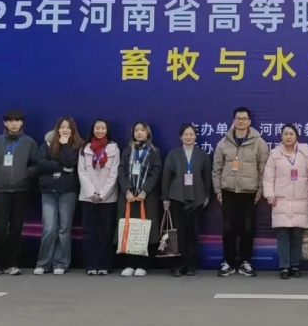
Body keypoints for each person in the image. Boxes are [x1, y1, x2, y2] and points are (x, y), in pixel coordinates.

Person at [0, 109, 39, 277]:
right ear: (5, 123)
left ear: (22, 123)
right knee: (0, 228)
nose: (14, 124)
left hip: (21, 191)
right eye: (11, 121)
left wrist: (25, 175)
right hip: (0, 191)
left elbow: (37, 165)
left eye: (17, 120)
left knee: (16, 228)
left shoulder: (29, 142)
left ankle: (12, 264)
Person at [212, 107, 269, 278]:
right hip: (228, 191)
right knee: (228, 228)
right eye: (238, 118)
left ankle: (245, 262)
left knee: (247, 228)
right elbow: (216, 168)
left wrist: (260, 190)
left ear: (249, 121)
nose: (241, 121)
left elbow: (264, 169)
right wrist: (217, 189)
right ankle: (228, 262)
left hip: (249, 192)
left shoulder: (259, 143)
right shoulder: (223, 142)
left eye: (244, 119)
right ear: (234, 121)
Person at [263, 124, 308, 279]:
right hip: (281, 200)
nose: (288, 136)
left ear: (296, 136)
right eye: (285, 134)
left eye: (291, 134)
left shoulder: (305, 153)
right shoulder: (274, 154)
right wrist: (269, 195)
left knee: (297, 235)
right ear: (281, 136)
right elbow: (268, 177)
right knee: (283, 235)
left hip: (301, 199)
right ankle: (284, 266)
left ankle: (295, 265)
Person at [34, 118, 84, 275]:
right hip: (48, 191)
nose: (65, 130)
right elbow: (41, 163)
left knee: (64, 229)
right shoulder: (47, 144)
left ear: (73, 130)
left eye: (68, 127)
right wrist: (62, 168)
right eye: (62, 127)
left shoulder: (78, 146)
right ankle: (43, 263)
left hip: (68, 191)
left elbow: (72, 163)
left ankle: (60, 263)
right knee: (49, 229)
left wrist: (65, 145)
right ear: (57, 129)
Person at [162, 123, 212, 277]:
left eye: (191, 134)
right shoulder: (174, 153)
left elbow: (207, 177)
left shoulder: (202, 154)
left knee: (193, 233)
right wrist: (165, 199)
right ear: (180, 137)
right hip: (177, 198)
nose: (189, 137)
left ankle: (191, 265)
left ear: (196, 136)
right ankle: (178, 265)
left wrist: (207, 196)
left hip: (197, 199)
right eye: (185, 134)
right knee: (178, 233)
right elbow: (166, 177)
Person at [117, 121, 162, 277]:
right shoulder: (127, 151)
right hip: (129, 197)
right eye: (136, 130)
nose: (139, 133)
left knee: (145, 230)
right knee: (129, 230)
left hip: (146, 197)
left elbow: (155, 173)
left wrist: (144, 191)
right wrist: (127, 191)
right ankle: (129, 264)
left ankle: (143, 264)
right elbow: (121, 172)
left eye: (142, 130)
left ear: (147, 133)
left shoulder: (154, 151)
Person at [78, 119, 120, 276]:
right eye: (97, 128)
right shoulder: (85, 148)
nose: (100, 131)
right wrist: (91, 193)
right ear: (92, 130)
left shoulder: (113, 148)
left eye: (103, 128)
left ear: (107, 130)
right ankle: (91, 265)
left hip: (107, 198)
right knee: (89, 232)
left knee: (106, 232)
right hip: (88, 197)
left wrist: (102, 194)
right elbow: (82, 172)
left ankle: (105, 265)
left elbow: (114, 174)